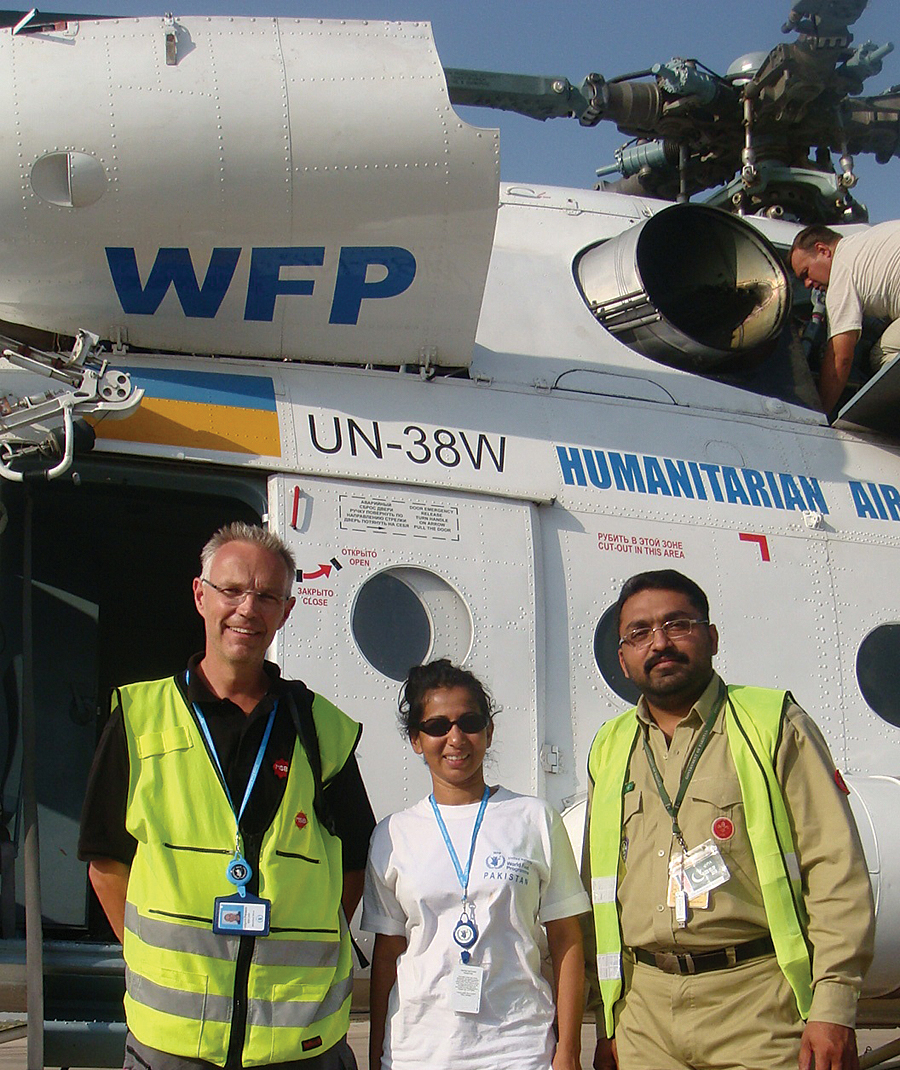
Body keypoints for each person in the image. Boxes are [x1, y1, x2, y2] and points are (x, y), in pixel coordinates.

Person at [78, 522, 375, 1070]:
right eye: (232, 590)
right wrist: (162, 966)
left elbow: (355, 866)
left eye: (267, 596)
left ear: (285, 612)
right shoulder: (140, 719)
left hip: (297, 1042)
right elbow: (106, 862)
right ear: (200, 596)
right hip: (172, 1044)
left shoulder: (324, 730)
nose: (247, 609)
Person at [584, 569, 875, 1070]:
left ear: (711, 637)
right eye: (640, 633)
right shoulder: (610, 747)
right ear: (623, 658)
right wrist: (607, 1018)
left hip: (757, 1005)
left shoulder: (773, 723)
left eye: (678, 624)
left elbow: (835, 868)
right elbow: (598, 890)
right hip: (644, 1013)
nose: (659, 643)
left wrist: (834, 1008)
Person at [361, 659, 589, 1070]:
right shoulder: (393, 835)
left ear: (488, 731)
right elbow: (388, 954)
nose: (455, 738)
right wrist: (378, 1054)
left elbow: (567, 940)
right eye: (436, 726)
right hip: (418, 1053)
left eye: (469, 722)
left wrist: (568, 1051)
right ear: (416, 739)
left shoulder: (533, 819)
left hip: (519, 1050)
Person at [789, 221, 900, 412]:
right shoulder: (865, 243)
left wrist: (820, 412)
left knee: (881, 356)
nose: (807, 284)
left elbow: (840, 359)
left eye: (806, 273)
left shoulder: (841, 273)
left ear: (823, 250)